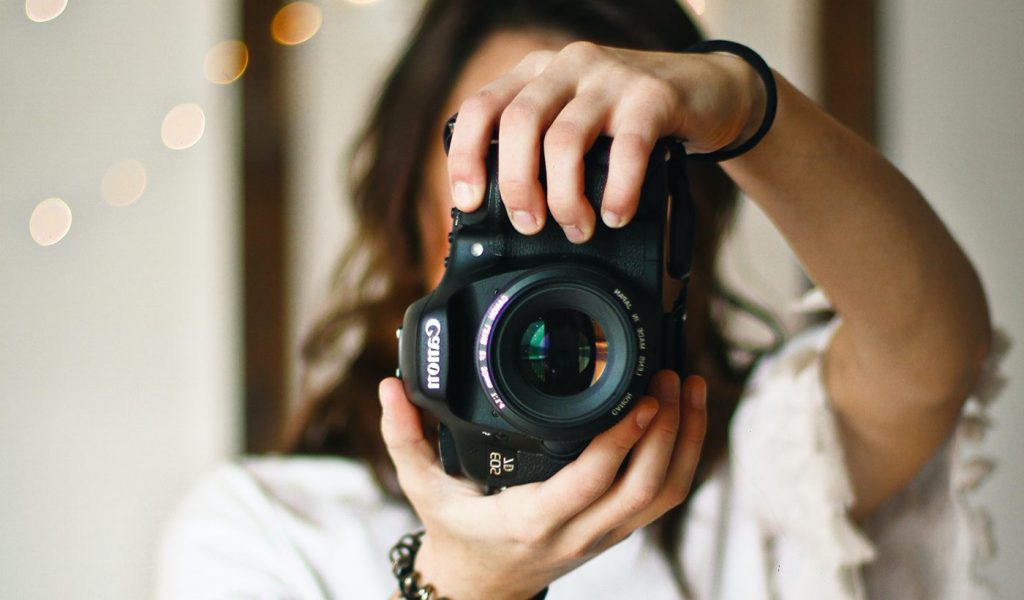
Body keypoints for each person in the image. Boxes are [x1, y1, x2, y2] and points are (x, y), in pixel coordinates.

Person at [154, 1, 1008, 598]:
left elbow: (933, 356)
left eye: (605, 167)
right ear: (409, 205)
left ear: (683, 227)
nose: (553, 208)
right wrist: (465, 586)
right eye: (499, 159)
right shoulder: (269, 526)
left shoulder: (752, 472)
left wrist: (743, 104)